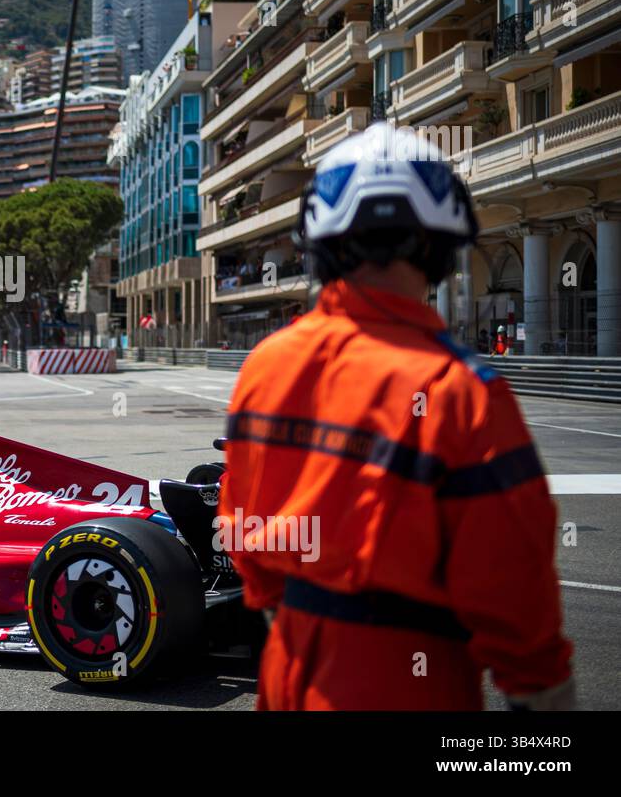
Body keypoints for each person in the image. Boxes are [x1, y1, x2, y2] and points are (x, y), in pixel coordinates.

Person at [219, 122, 573, 711]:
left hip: (290, 667)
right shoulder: (461, 390)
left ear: (321, 243)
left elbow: (241, 529)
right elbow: (514, 595)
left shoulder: (266, 365)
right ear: (441, 244)